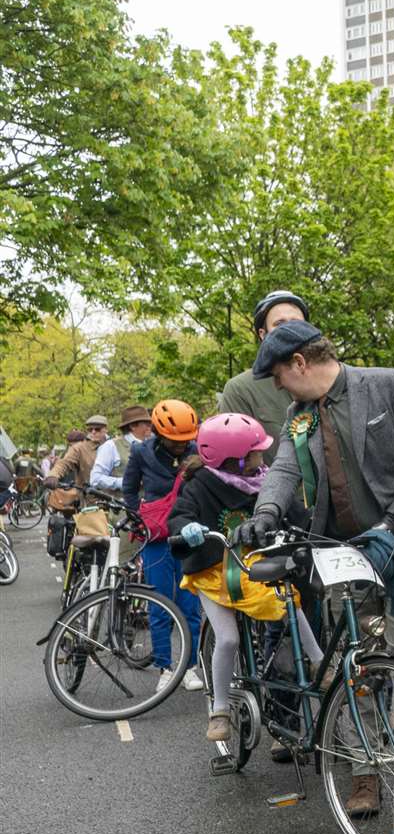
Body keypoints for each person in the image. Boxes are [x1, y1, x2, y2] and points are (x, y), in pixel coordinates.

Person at [236, 320, 394, 817]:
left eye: (279, 374)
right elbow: (283, 470)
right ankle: (364, 768)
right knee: (354, 662)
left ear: (300, 363)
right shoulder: (298, 416)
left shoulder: (388, 384)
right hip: (343, 550)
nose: (277, 386)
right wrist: (264, 516)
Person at [172, 414, 327, 743]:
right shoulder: (199, 484)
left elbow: (294, 514)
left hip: (252, 569)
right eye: (256, 452)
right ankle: (221, 708)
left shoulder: (264, 480)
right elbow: (180, 514)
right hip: (211, 574)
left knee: (289, 603)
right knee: (227, 639)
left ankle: (318, 664)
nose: (262, 457)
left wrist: (316, 526)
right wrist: (186, 528)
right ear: (234, 459)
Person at [123, 400, 205, 686]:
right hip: (157, 538)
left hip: (189, 534)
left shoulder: (197, 451)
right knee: (159, 604)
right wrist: (138, 519)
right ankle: (165, 668)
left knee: (190, 605)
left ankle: (191, 666)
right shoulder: (140, 452)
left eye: (187, 439)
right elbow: (130, 488)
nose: (183, 445)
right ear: (159, 433)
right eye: (176, 440)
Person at [217, 290, 308, 462]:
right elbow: (236, 466)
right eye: (279, 324)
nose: (289, 330)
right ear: (263, 334)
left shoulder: (327, 380)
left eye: (296, 322)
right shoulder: (240, 389)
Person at [44, 417, 108, 518]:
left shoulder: (113, 446)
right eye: (90, 429)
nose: (93, 432)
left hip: (116, 501)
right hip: (91, 503)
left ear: (105, 429)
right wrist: (53, 475)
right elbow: (64, 463)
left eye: (97, 429)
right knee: (92, 531)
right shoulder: (80, 449)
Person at [90, 406, 151, 492]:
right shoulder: (111, 446)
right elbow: (95, 479)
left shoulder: (152, 445)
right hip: (122, 503)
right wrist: (127, 482)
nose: (150, 426)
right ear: (133, 426)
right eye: (146, 423)